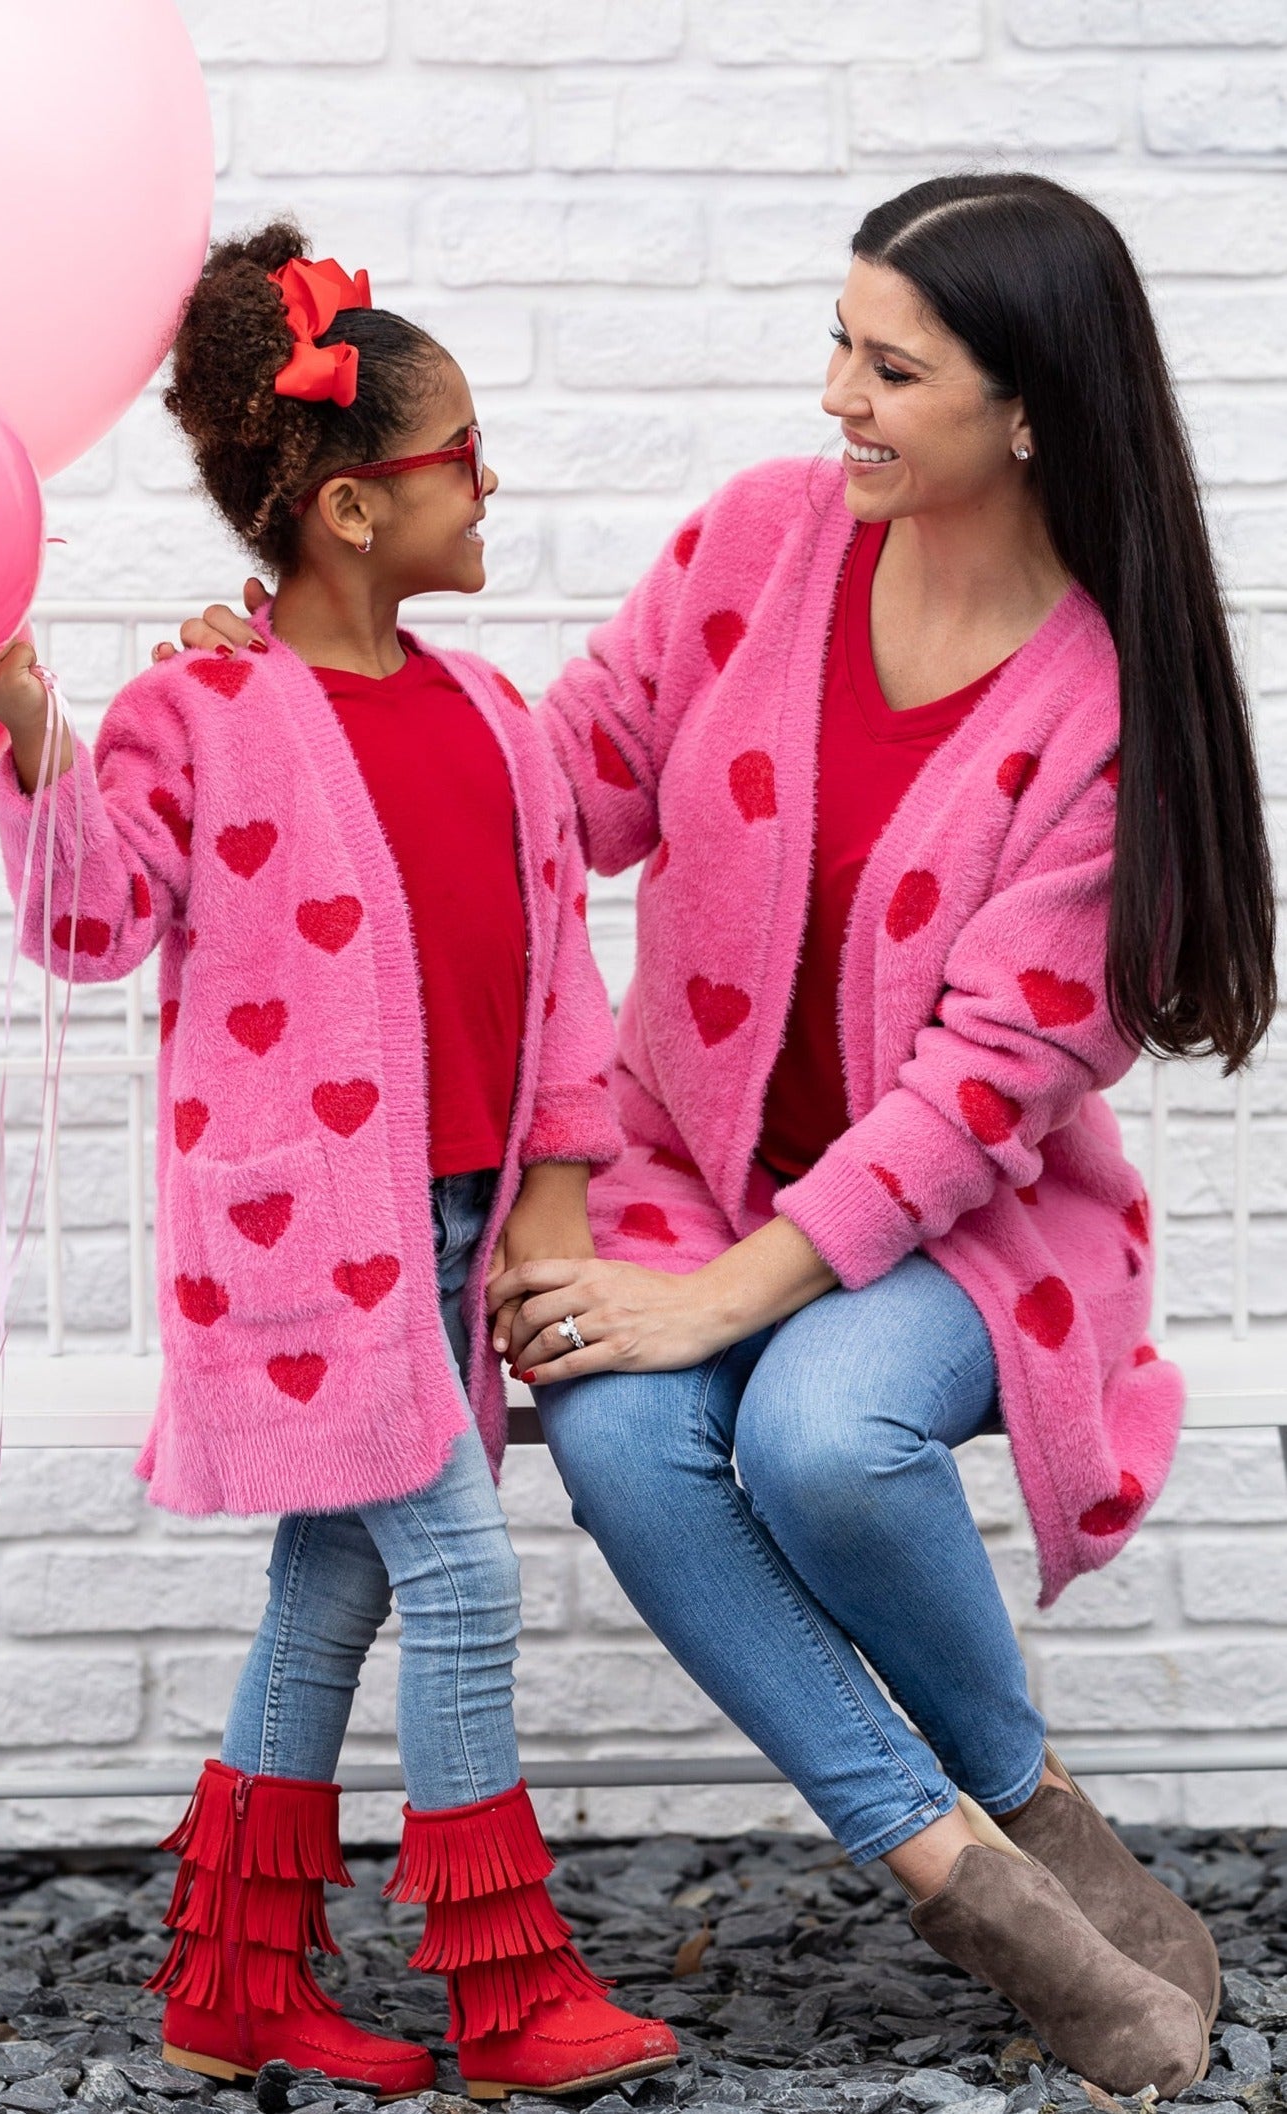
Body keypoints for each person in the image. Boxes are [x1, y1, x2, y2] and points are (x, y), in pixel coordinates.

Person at [169, 174, 1278, 2096]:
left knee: (818, 1436)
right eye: (836, 343)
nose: (833, 395)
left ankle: (1039, 1808)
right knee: (611, 1418)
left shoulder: (1101, 706)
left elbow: (976, 1102)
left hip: (968, 1224)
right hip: (691, 1178)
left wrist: (718, 1304)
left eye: (889, 365)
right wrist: (301, 691)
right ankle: (968, 1878)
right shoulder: (760, 545)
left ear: (1025, 409)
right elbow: (550, 786)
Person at [0, 221, 677, 2102]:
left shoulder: (496, 722)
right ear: (356, 509)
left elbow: (560, 992)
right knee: (462, 1582)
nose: (491, 482)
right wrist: (36, 729)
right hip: (303, 1240)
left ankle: (232, 1981)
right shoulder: (199, 712)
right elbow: (93, 922)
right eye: (461, 457)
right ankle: (503, 1996)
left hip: (442, 1231)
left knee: (333, 1588)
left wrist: (551, 1196)